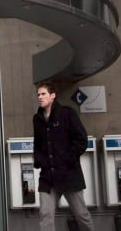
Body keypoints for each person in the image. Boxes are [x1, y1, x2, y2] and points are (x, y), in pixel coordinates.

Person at [32, 81, 93, 231]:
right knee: (45, 214)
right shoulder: (37, 119)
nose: (40, 97)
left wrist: (67, 160)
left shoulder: (67, 114)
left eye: (43, 94)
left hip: (68, 174)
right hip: (48, 177)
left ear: (52, 95)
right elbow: (38, 143)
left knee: (81, 214)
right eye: (38, 94)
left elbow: (81, 140)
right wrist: (39, 161)